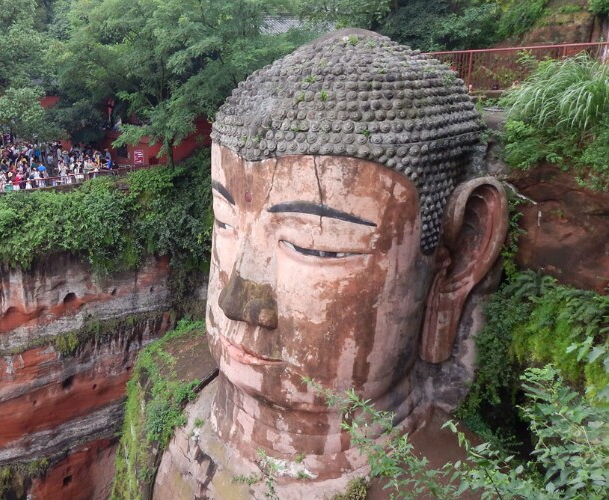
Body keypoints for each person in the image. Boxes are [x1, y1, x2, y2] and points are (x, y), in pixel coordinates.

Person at [154, 29, 508, 499]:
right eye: (224, 222)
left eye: (315, 246)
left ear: (462, 254)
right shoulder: (174, 408)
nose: (236, 300)